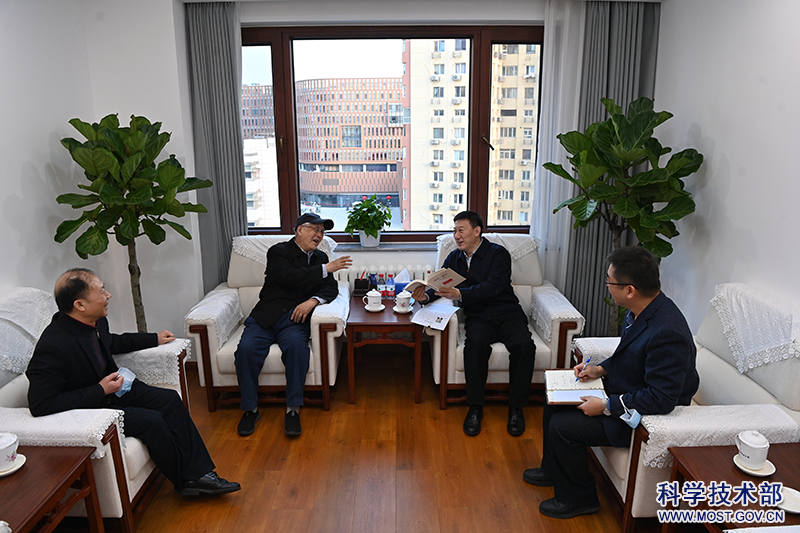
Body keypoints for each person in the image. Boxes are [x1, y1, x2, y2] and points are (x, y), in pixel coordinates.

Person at [27, 268, 240, 496]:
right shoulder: (53, 346)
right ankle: (185, 481)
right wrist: (100, 389)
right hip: (93, 407)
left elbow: (111, 343)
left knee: (169, 399)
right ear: (80, 305)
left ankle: (200, 473)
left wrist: (154, 338)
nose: (108, 295)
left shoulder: (96, 322)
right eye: (102, 291)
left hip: (114, 389)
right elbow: (41, 404)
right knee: (152, 421)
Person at [522, 246, 699, 519]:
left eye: (610, 282)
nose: (607, 286)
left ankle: (580, 499)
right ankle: (552, 471)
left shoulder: (667, 332)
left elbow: (661, 398)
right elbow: (629, 354)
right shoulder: (642, 309)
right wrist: (599, 369)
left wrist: (605, 405)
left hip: (643, 417)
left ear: (629, 290)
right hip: (627, 389)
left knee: (563, 426)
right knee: (553, 398)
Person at [412, 211, 535, 436]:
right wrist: (424, 297)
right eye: (454, 231)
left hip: (507, 313)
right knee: (474, 346)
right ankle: (475, 407)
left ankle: (516, 409)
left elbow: (494, 286)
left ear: (477, 231)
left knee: (524, 346)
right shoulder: (454, 258)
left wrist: (460, 294)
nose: (456, 235)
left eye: (461, 230)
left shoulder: (497, 254)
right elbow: (440, 287)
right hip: (478, 316)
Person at [234, 213, 352, 437]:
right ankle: (250, 409)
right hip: (266, 318)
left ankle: (293, 409)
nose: (319, 235)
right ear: (299, 230)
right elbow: (288, 276)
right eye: (315, 229)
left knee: (298, 350)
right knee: (246, 351)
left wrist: (313, 301)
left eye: (322, 231)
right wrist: (326, 269)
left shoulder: (320, 257)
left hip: (294, 320)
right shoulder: (278, 251)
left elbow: (330, 288)